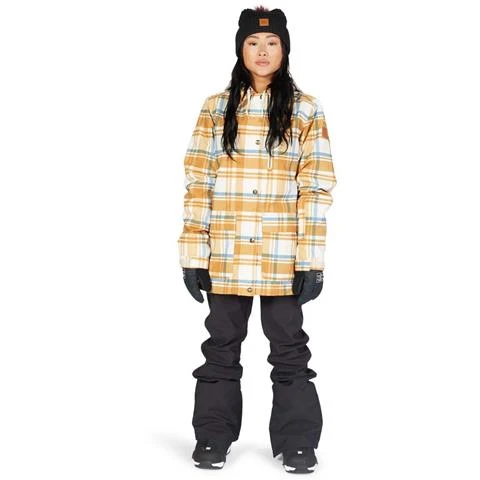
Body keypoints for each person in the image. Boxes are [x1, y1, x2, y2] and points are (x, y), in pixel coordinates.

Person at [177, 5, 337, 473]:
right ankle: (213, 436)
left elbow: (316, 185)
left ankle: (298, 441)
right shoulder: (216, 107)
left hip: (281, 254)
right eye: (252, 42)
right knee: (221, 345)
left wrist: (311, 261)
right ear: (240, 49)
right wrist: (193, 254)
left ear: (284, 49)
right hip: (226, 252)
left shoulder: (306, 109)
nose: (262, 51)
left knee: (290, 348)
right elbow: (198, 181)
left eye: (271, 43)